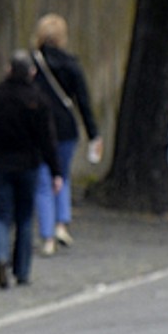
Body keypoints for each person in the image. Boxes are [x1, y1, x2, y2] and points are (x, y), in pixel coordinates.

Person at [0, 54, 63, 289]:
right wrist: (56, 171)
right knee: (25, 219)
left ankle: (1, 256)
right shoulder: (38, 100)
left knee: (1, 217)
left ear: (8, 70)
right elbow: (47, 140)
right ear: (32, 73)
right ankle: (22, 270)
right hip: (28, 165)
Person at [29, 13, 103, 255]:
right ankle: (62, 223)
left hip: (40, 129)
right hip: (66, 127)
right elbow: (83, 101)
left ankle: (47, 236)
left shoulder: (33, 64)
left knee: (42, 181)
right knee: (62, 175)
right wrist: (94, 133)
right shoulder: (72, 64)